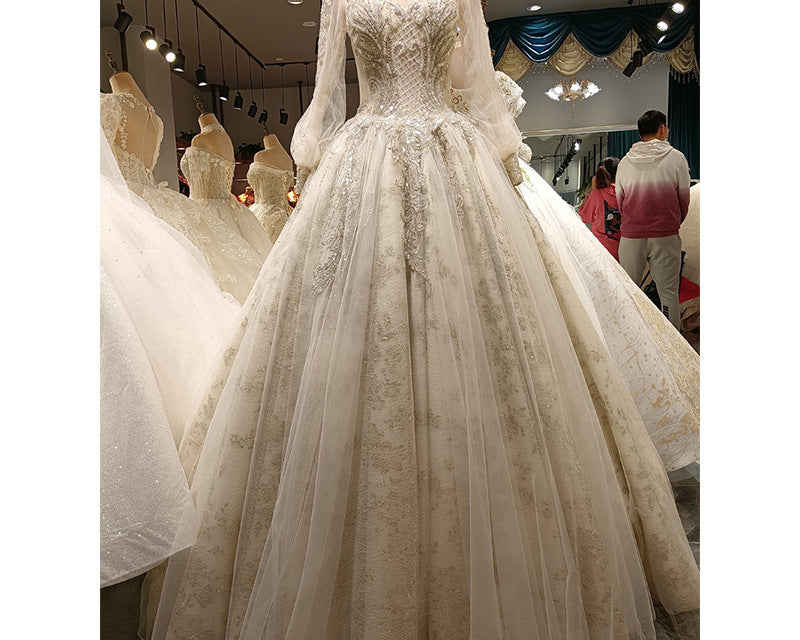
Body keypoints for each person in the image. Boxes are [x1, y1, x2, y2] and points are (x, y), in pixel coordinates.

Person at [148, 3, 696, 638]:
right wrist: (315, 164)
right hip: (364, 164)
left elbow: (484, 89)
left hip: (452, 164)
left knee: (485, 342)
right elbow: (326, 94)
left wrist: (499, 153)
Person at [616, 109, 691, 330]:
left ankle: (632, 337)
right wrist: (671, 222)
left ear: (641, 134)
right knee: (668, 294)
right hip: (665, 234)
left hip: (631, 236)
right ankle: (672, 349)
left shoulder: (624, 163)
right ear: (661, 129)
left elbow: (621, 202)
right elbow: (684, 199)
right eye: (665, 126)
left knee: (630, 289)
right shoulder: (676, 158)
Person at [578, 156, 621, 260]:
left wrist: (591, 192)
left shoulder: (597, 193)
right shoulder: (626, 191)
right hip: (623, 246)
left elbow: (585, 217)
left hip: (600, 247)